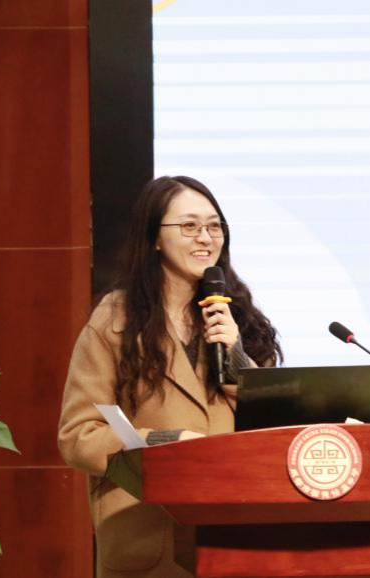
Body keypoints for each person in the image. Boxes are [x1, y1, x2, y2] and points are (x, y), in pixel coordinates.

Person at [58, 175, 282, 578]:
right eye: (189, 226)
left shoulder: (240, 319)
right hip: (149, 536)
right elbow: (78, 436)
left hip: (234, 536)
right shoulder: (115, 320)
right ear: (154, 238)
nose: (205, 238)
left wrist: (236, 356)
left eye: (214, 226)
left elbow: (274, 427)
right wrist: (164, 443)